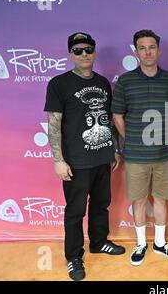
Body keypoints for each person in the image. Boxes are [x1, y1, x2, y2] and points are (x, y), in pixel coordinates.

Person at [44, 32, 126, 281]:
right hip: (76, 161)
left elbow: (109, 119)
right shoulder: (59, 84)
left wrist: (114, 148)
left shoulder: (102, 82)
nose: (84, 54)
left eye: (88, 49)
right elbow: (53, 123)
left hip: (102, 157)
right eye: (78, 50)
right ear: (71, 54)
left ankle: (99, 242)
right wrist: (58, 159)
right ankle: (74, 257)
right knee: (75, 210)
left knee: (101, 204)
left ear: (94, 52)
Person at [111, 29, 168, 267]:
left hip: (164, 154)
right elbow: (118, 116)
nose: (148, 51)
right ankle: (141, 243)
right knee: (139, 200)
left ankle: (160, 243)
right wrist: (132, 139)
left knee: (161, 199)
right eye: (142, 47)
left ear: (159, 50)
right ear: (136, 51)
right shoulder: (125, 81)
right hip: (135, 156)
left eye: (152, 47)